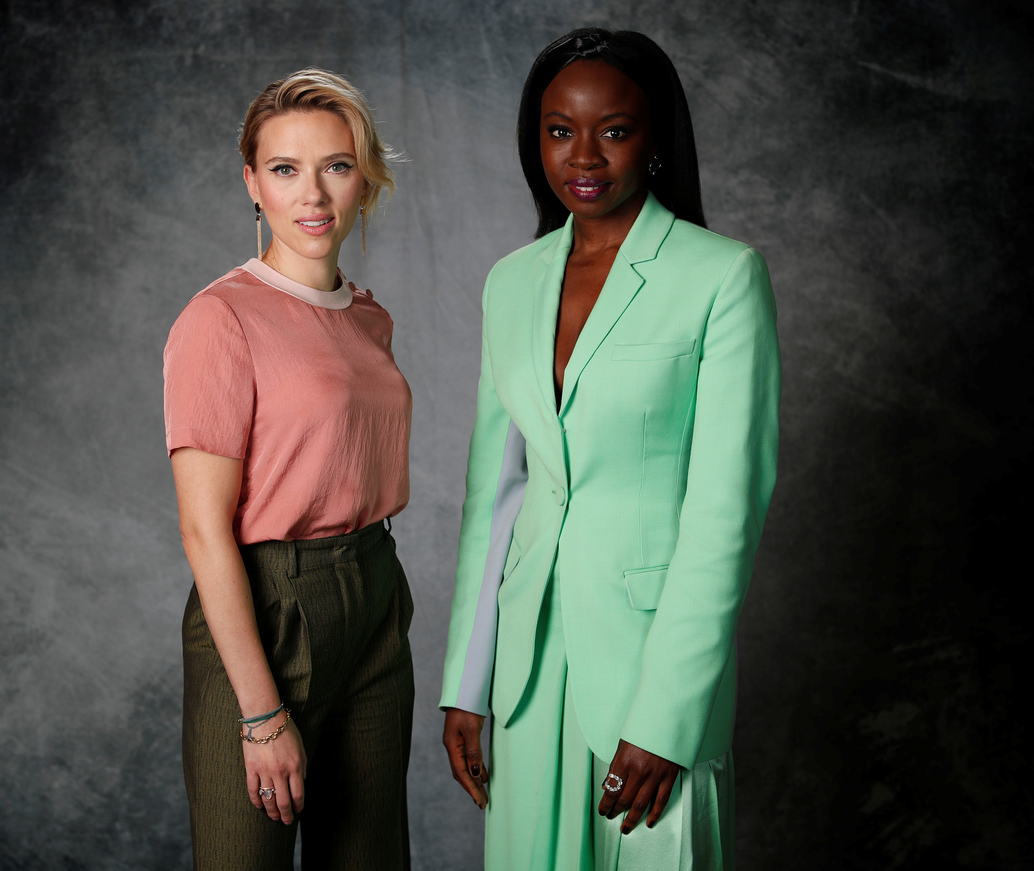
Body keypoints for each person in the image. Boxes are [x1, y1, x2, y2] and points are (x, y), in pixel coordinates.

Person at [441, 28, 781, 870]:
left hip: (650, 664)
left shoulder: (721, 276)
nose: (583, 156)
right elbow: (495, 496)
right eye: (559, 130)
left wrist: (669, 716)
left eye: (614, 130)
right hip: (527, 668)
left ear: (655, 138)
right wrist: (467, 683)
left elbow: (725, 514)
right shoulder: (511, 281)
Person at [164, 69, 413, 871]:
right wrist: (261, 713)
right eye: (285, 168)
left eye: (336, 166)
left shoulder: (369, 317)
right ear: (252, 183)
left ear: (363, 178)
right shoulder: (220, 318)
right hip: (268, 605)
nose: (313, 193)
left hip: (373, 596)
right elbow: (204, 528)